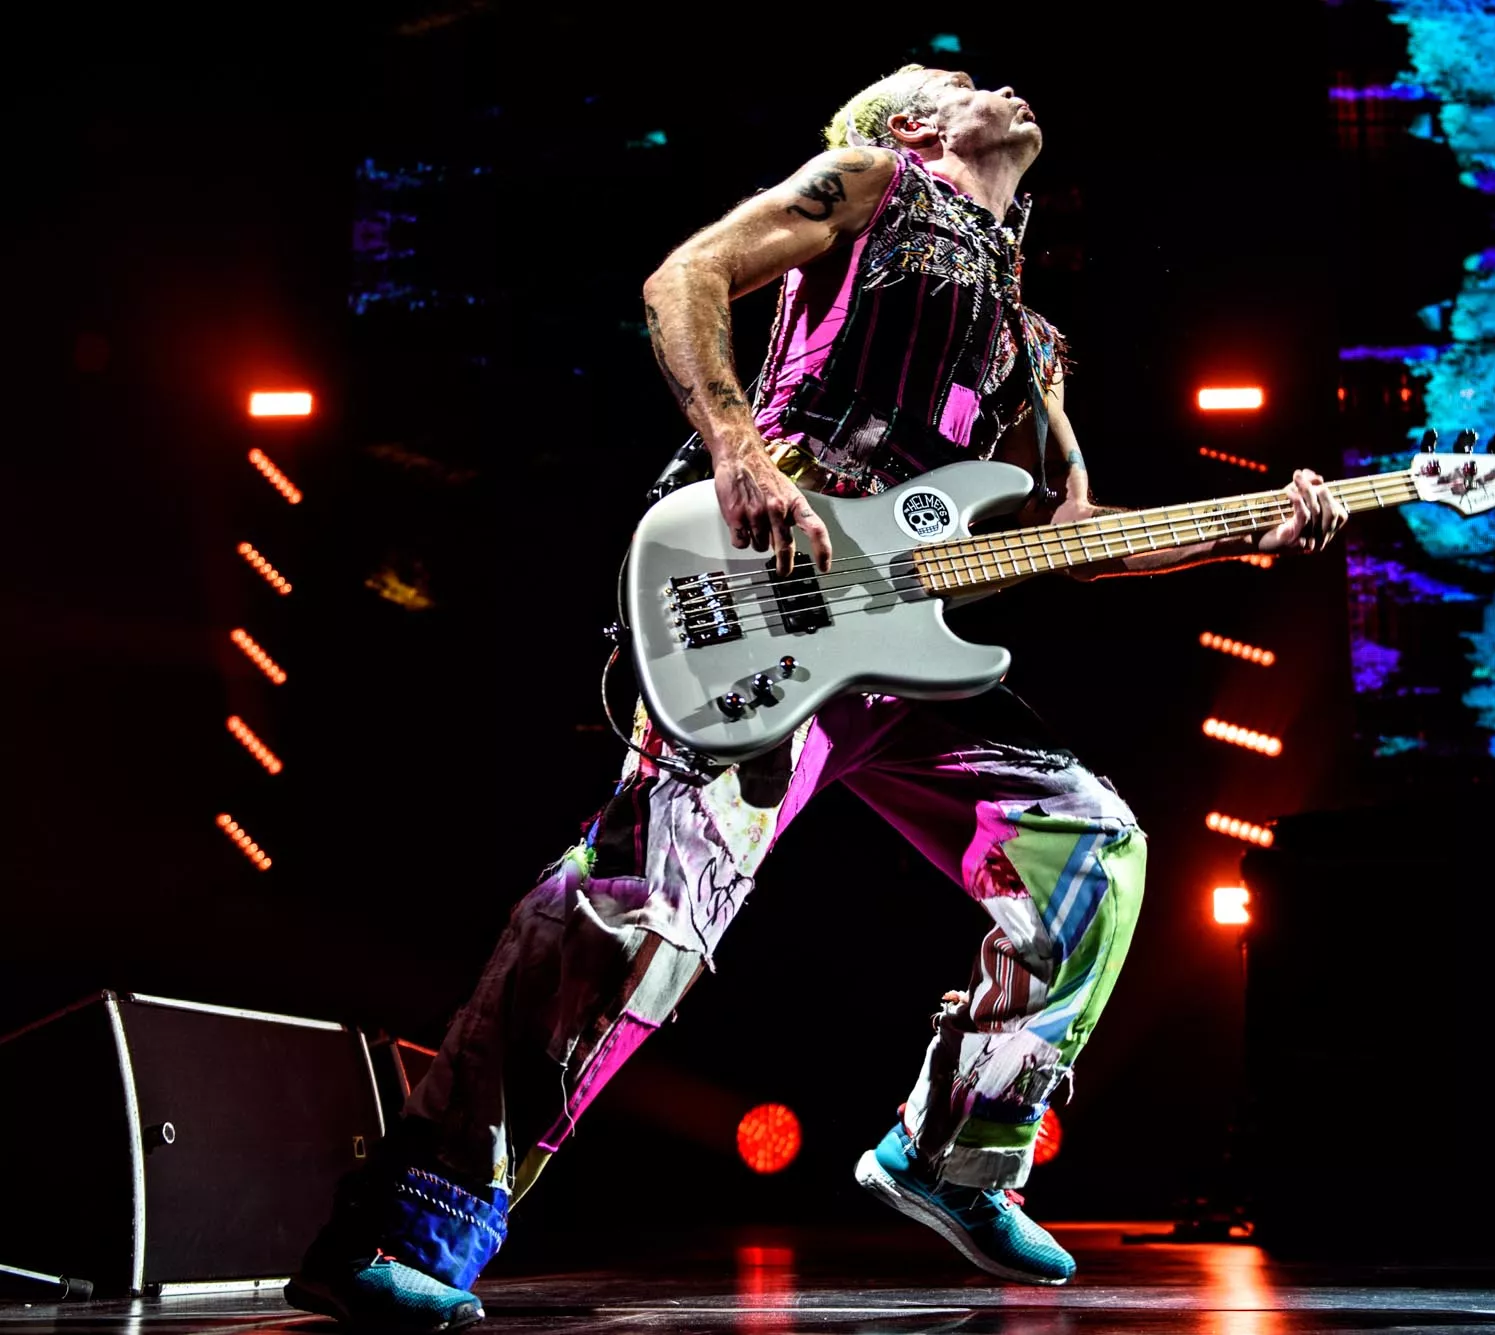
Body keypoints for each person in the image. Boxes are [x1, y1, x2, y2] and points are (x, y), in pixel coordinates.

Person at [285, 63, 1346, 1330]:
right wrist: (737, 454)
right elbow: (682, 278)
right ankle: (400, 1228)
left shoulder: (1033, 340)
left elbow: (1072, 537)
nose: (998, 83)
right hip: (768, 593)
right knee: (642, 918)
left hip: (901, 656)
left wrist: (1247, 530)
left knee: (1092, 851)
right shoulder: (872, 183)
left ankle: (954, 1156)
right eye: (960, 80)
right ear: (913, 123)